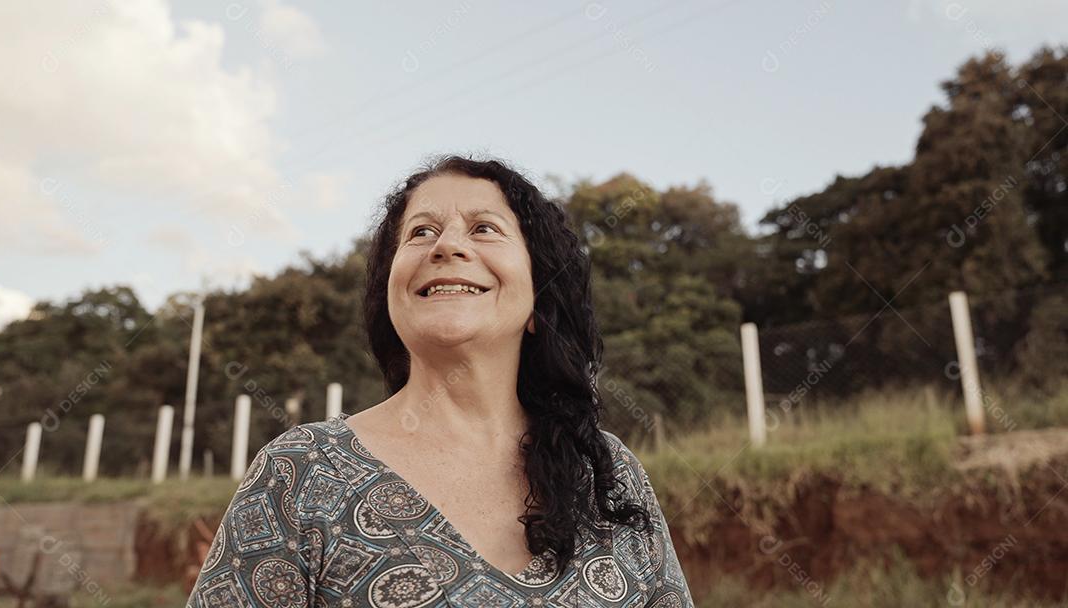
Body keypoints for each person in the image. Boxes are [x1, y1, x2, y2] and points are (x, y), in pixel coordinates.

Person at [186, 155, 695, 607]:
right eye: (421, 232)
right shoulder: (299, 473)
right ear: (394, 296)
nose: (447, 245)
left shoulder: (609, 474)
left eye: (484, 228)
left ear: (539, 300)